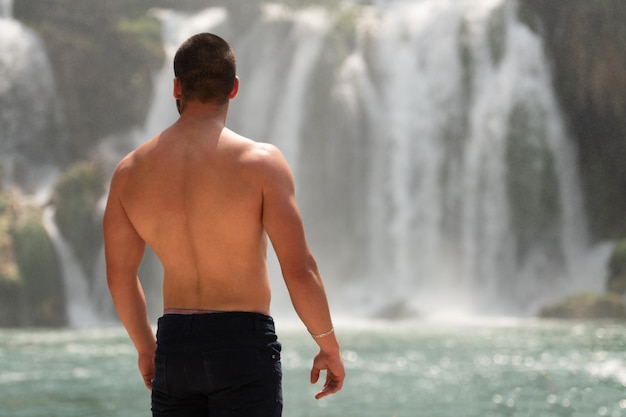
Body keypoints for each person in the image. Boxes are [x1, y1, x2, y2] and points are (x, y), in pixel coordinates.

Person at [103, 33, 345, 416]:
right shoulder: (261, 163)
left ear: (176, 87)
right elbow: (299, 270)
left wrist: (147, 347)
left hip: (174, 346)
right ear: (234, 89)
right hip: (242, 344)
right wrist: (328, 345)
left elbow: (119, 274)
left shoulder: (129, 172)